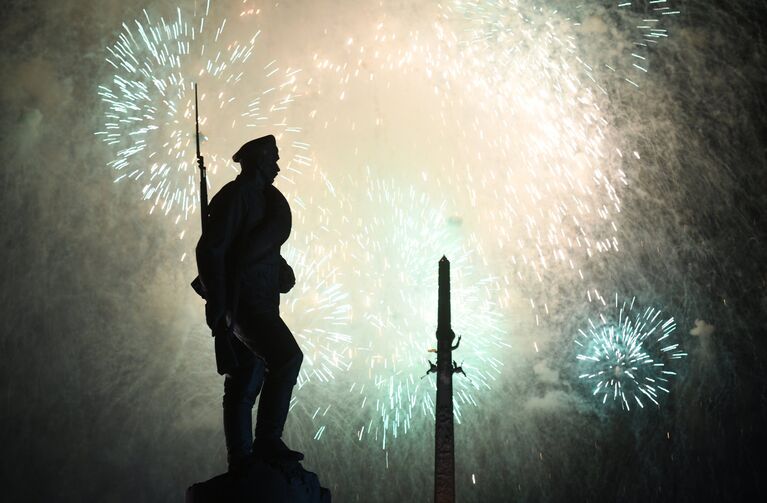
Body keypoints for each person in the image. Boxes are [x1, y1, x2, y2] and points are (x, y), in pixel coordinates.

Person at [195, 134, 304, 473]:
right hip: (243, 303)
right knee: (286, 358)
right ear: (257, 162)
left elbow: (259, 247)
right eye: (272, 160)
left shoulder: (261, 201)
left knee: (244, 382)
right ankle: (267, 441)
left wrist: (280, 271)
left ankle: (242, 458)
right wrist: (218, 305)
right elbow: (211, 249)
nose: (277, 166)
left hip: (259, 299)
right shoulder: (238, 196)